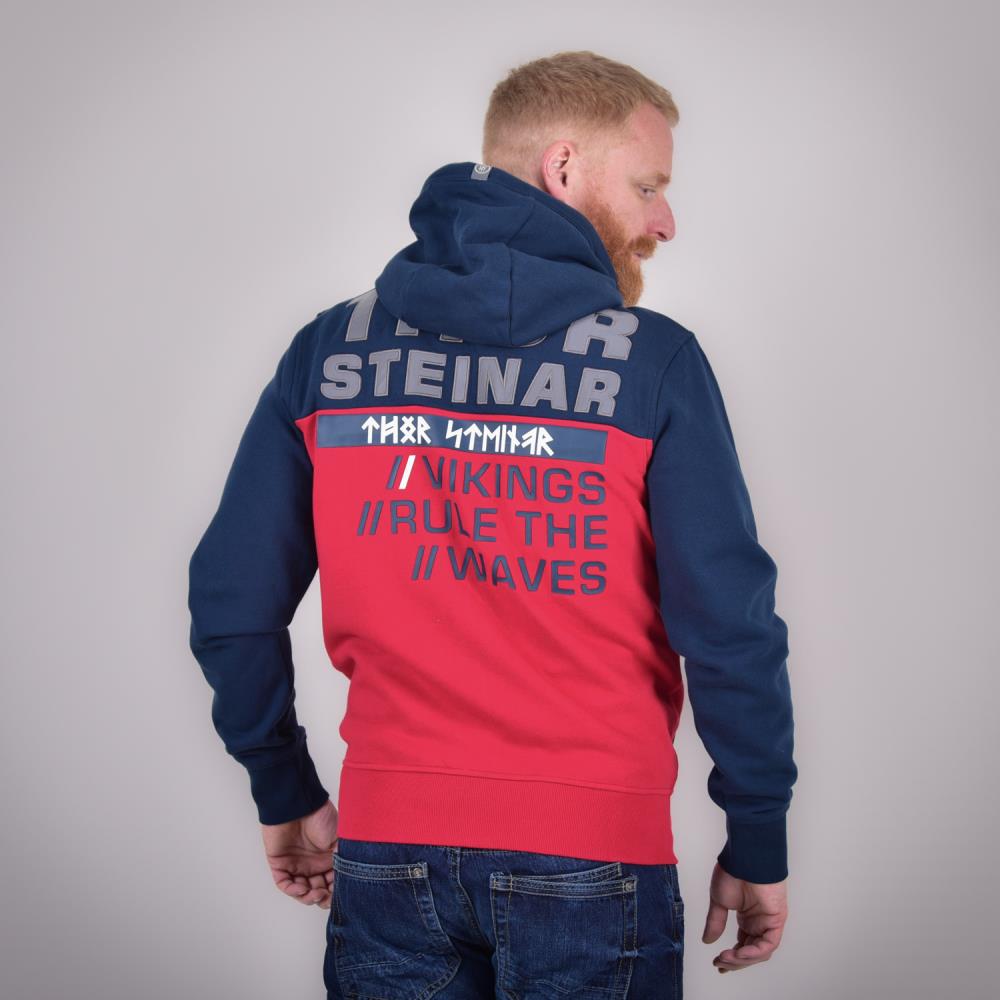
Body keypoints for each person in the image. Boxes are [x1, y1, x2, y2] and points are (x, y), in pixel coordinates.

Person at [187, 49, 797, 998]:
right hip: (593, 854)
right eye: (647, 186)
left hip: (388, 853)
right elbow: (727, 624)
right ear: (563, 167)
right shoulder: (653, 365)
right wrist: (757, 831)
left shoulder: (331, 350)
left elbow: (231, 603)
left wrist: (283, 784)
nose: (664, 221)